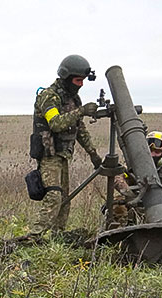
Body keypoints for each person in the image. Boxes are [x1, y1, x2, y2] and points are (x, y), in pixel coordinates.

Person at [29, 54, 103, 235]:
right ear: (67, 77)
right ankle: (34, 236)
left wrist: (93, 153)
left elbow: (80, 129)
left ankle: (57, 235)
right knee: (54, 195)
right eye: (78, 80)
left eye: (83, 81)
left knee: (64, 198)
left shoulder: (73, 99)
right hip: (49, 153)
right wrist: (82, 111)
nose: (81, 85)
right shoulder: (49, 97)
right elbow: (55, 123)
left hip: (62, 154)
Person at [110, 130, 162, 227]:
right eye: (150, 151)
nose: (152, 154)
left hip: (157, 202)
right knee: (117, 206)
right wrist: (129, 194)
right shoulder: (135, 166)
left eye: (156, 151)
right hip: (133, 200)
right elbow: (118, 178)